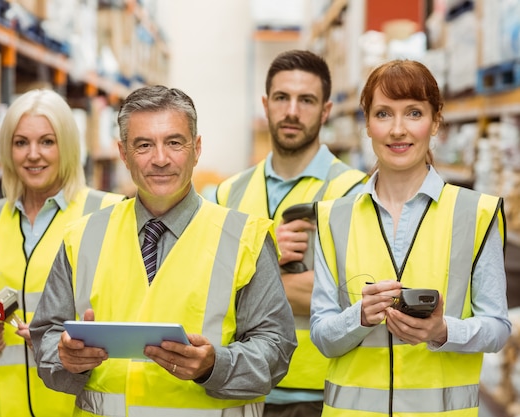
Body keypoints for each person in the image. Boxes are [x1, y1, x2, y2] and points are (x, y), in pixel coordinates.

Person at [29, 85, 297, 417]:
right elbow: (45, 335)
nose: (160, 159)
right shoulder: (82, 236)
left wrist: (214, 364)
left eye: (174, 142)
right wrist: (65, 358)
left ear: (196, 149)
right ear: (123, 153)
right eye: (143, 145)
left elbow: (277, 350)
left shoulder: (245, 238)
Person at [310, 59, 511, 416]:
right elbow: (322, 335)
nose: (398, 130)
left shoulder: (474, 214)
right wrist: (359, 316)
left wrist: (441, 330)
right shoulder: (334, 217)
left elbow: (497, 328)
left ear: (435, 122)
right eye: (384, 114)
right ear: (367, 124)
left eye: (414, 113)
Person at [211, 49, 367, 417]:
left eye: (306, 100)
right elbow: (203, 291)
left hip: (315, 392)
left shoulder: (353, 193)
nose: (292, 111)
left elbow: (356, 298)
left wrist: (243, 278)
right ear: (266, 104)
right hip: (235, 383)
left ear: (326, 111)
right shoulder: (226, 193)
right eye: (282, 98)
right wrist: (267, 259)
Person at [0, 89, 126, 417]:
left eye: (47, 142)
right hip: (4, 406)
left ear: (66, 146)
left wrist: (60, 342)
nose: (33, 155)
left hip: (79, 407)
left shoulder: (108, 213)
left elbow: (126, 318)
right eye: (21, 142)